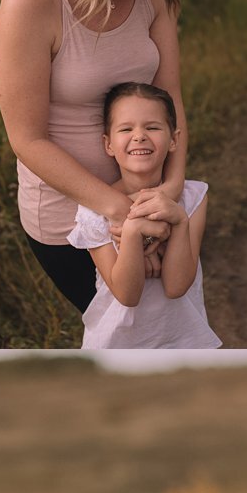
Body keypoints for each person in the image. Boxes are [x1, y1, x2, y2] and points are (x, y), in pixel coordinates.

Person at [0, 0, 191, 321]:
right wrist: (118, 211)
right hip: (69, 222)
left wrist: (172, 189)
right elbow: (27, 139)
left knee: (166, 327)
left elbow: (172, 100)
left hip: (147, 201)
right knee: (126, 329)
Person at [65, 84, 219, 350]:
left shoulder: (194, 197)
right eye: (126, 129)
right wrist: (134, 232)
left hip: (183, 341)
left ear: (174, 139)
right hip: (116, 343)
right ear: (108, 144)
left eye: (153, 127)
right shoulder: (93, 212)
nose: (139, 136)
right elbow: (127, 294)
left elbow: (176, 286)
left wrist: (180, 222)